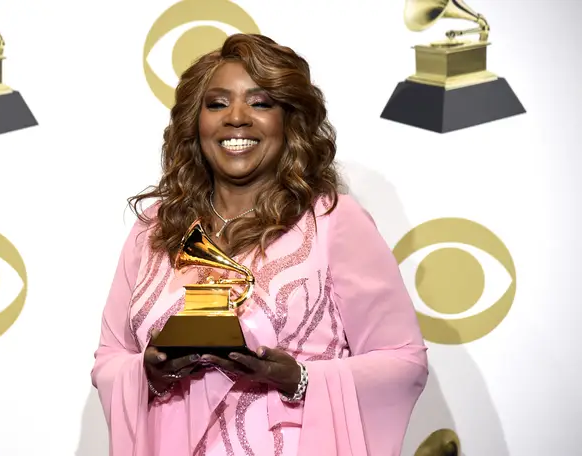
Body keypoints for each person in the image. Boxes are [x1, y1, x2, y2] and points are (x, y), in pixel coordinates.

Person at [91, 33, 428, 456]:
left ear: (290, 121)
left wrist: (299, 378)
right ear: (194, 124)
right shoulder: (154, 229)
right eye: (216, 104)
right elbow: (110, 358)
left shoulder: (331, 221)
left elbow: (402, 360)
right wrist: (150, 373)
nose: (237, 118)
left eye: (260, 102)